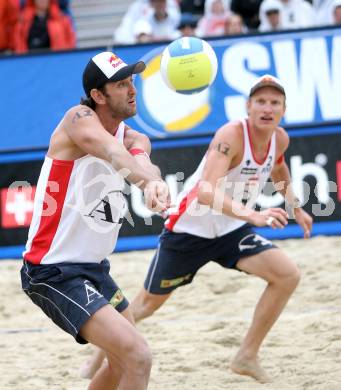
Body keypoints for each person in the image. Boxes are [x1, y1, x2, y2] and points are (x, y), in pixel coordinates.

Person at [81, 74, 313, 384]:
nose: (267, 108)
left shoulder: (279, 138)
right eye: (260, 101)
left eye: (274, 102)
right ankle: (100, 356)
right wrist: (253, 215)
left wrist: (295, 207)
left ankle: (246, 356)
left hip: (231, 231)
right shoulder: (231, 134)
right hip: (189, 230)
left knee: (287, 275)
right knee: (146, 305)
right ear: (248, 106)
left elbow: (279, 167)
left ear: (283, 109)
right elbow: (206, 191)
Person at [20, 51, 170, 390]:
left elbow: (140, 157)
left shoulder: (132, 136)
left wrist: (154, 180)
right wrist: (147, 182)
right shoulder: (78, 119)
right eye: (120, 84)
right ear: (98, 95)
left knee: (122, 361)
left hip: (94, 270)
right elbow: (110, 152)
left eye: (132, 81)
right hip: (52, 271)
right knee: (138, 356)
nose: (132, 89)